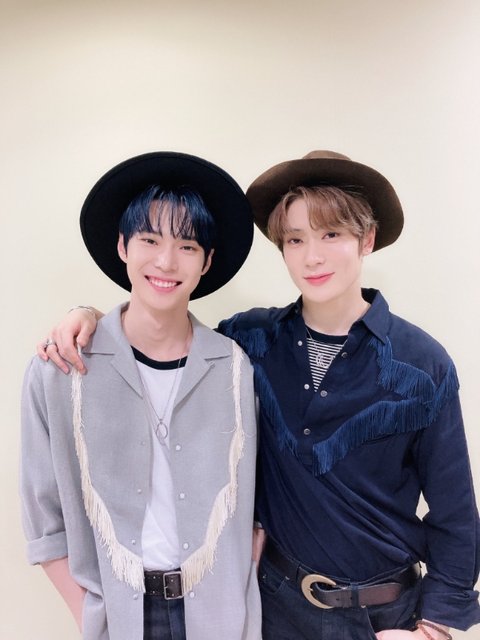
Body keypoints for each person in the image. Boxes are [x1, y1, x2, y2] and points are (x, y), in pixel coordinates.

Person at [37, 151, 480, 640]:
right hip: (275, 608)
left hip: (385, 614)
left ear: (367, 239)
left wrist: (433, 629)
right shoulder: (249, 343)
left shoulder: (423, 365)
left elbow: (456, 513)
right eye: (295, 239)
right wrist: (89, 317)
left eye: (331, 234)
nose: (312, 256)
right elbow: (162, 327)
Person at [21, 151, 262, 640]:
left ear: (207, 261)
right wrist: (92, 614)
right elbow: (44, 524)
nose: (166, 262)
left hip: (219, 617)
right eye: (150, 240)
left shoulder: (235, 368)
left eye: (187, 246)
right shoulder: (61, 369)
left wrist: (239, 589)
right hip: (120, 617)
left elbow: (259, 509)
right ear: (122, 246)